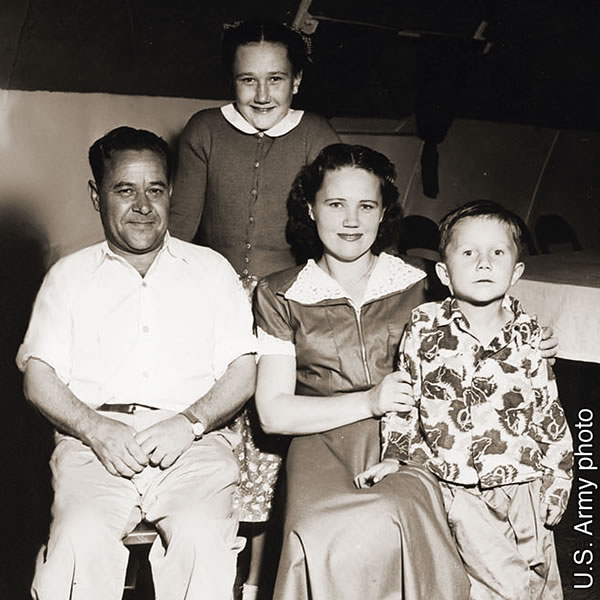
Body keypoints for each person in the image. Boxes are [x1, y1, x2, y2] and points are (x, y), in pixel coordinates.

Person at [16, 126, 257, 600]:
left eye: (156, 190)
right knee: (79, 540)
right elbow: (38, 378)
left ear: (171, 193)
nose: (143, 205)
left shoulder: (211, 270)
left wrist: (188, 423)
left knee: (202, 541)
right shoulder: (68, 277)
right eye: (125, 190)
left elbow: (242, 370)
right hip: (94, 446)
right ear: (97, 195)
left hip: (193, 444)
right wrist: (94, 429)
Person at [252, 143, 471, 599]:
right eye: (335, 204)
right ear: (310, 209)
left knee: (391, 512)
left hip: (409, 438)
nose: (351, 221)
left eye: (366, 206)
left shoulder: (425, 281)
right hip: (318, 441)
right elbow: (273, 414)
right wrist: (370, 401)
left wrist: (533, 344)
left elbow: (486, 326)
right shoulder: (279, 294)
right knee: (316, 529)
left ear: (383, 212)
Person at [169, 19, 339, 599]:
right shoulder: (203, 130)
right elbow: (180, 233)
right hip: (215, 303)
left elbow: (331, 234)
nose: (263, 94)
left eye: (276, 79)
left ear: (297, 80)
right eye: (248, 80)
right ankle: (209, 569)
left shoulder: (316, 133)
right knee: (212, 439)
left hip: (289, 306)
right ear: (231, 80)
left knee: (274, 446)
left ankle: (260, 581)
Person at [356, 200, 574, 599]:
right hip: (458, 486)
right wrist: (395, 455)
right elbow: (405, 397)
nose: (484, 263)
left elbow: (549, 410)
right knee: (504, 587)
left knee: (540, 578)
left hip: (524, 483)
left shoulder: (530, 334)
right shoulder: (424, 326)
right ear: (444, 272)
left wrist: (559, 477)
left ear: (516, 271)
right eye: (469, 252)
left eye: (498, 253)